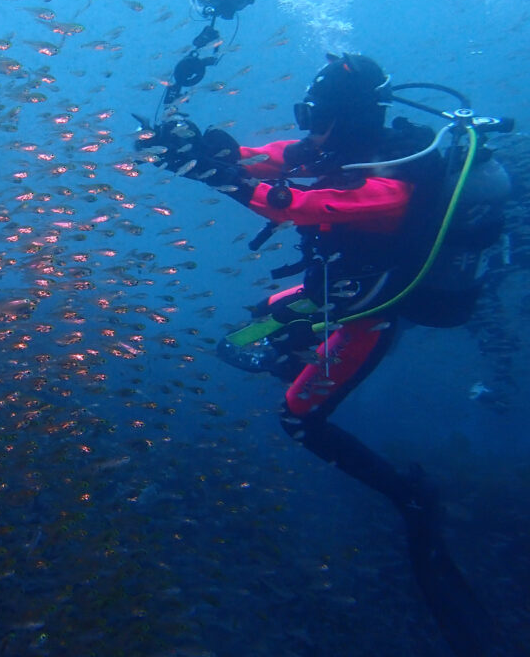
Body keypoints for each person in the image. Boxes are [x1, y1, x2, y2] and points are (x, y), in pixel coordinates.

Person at [138, 53, 510, 657]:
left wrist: (214, 176)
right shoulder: (337, 147)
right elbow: (270, 159)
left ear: (349, 117)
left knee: (296, 419)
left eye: (316, 115)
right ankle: (307, 360)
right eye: (304, 114)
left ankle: (407, 496)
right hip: (328, 290)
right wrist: (206, 148)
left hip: (365, 310)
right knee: (249, 331)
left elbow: (300, 207)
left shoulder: (397, 178)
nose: (308, 126)